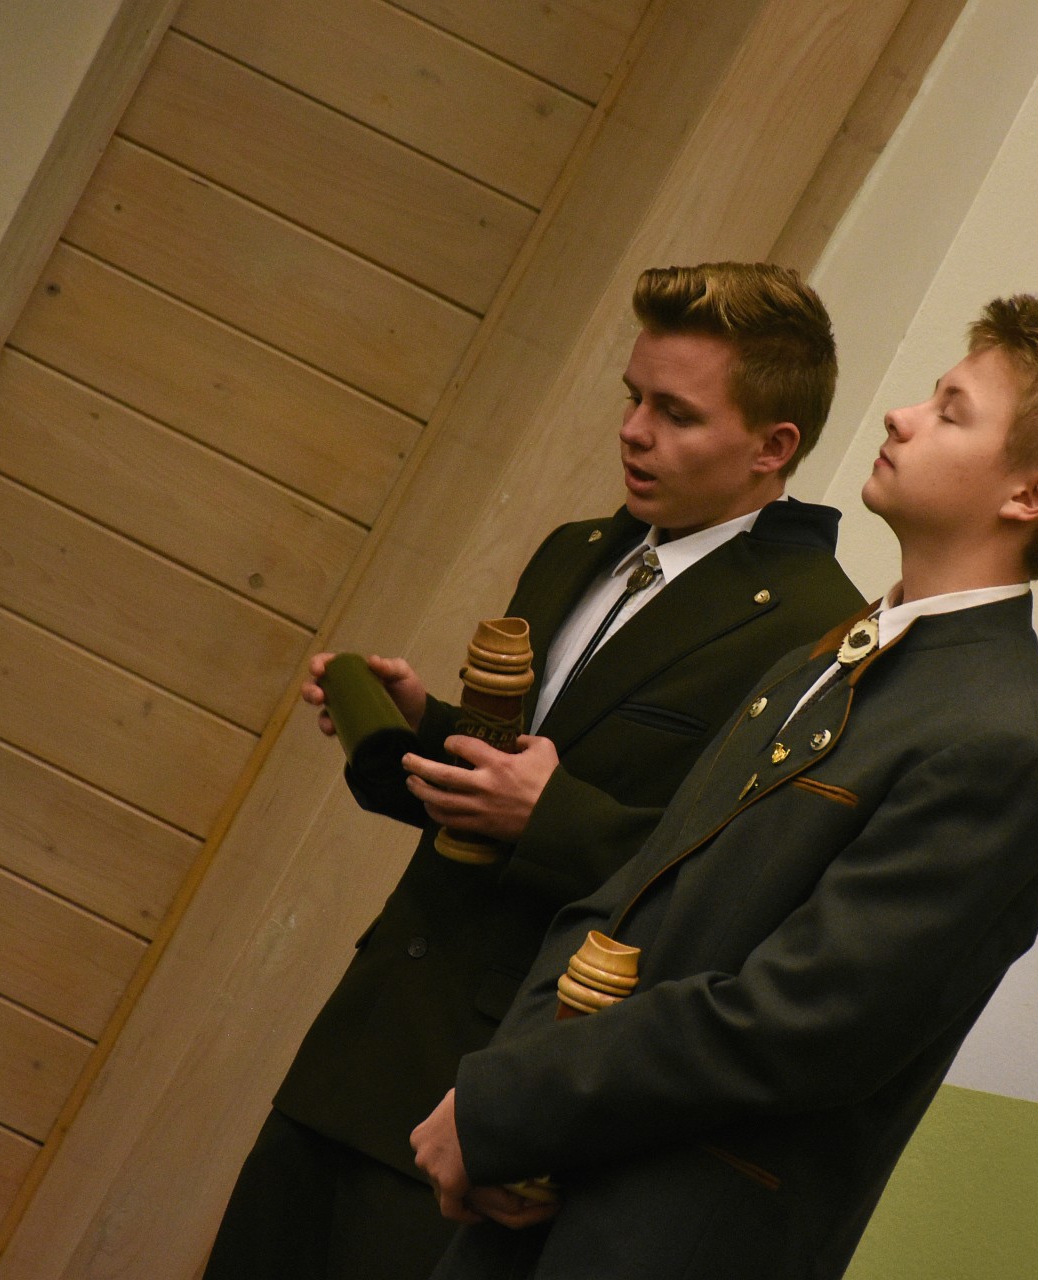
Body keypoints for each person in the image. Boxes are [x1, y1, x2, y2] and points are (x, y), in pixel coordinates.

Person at [411, 294, 1038, 1280]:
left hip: (669, 1239)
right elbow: (631, 899)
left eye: (949, 411)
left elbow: (799, 1025)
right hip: (549, 1185)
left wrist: (517, 1105)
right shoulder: (840, 652)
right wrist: (509, 1111)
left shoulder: (1001, 744)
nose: (901, 415)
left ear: (1028, 494)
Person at [203, 263, 865, 1279]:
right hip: (365, 1039)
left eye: (676, 413)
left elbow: (729, 890)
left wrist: (549, 816)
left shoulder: (815, 629)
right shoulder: (578, 548)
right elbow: (524, 770)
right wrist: (421, 729)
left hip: (493, 1092)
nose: (634, 432)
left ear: (773, 447)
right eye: (633, 399)